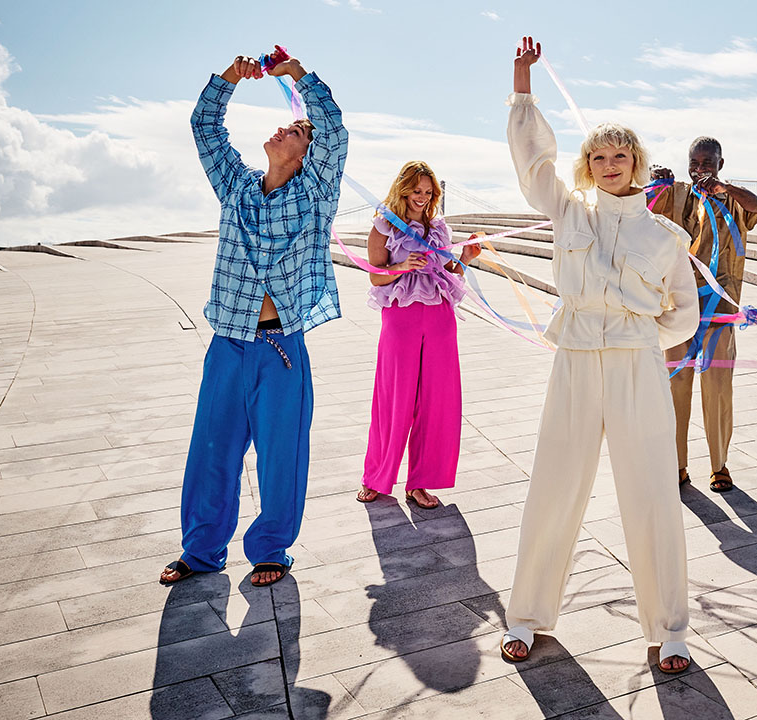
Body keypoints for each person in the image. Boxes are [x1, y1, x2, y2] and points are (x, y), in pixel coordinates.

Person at [499, 36, 699, 674]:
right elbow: (534, 164)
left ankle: (670, 630)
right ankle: (527, 617)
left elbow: (684, 317)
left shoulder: (667, 235)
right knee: (555, 484)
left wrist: (638, 340)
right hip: (576, 361)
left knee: (651, 492)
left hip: (638, 368)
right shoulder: (567, 210)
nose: (610, 163)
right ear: (588, 163)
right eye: (599, 155)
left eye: (621, 154)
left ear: (637, 162)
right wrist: (522, 83)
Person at [159, 47, 346, 588]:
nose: (281, 130)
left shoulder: (314, 194)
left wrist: (297, 75)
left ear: (306, 152)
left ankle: (270, 549)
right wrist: (228, 79)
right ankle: (201, 550)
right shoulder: (236, 188)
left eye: (293, 130)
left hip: (281, 348)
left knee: (280, 455)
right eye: (283, 125)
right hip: (227, 344)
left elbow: (333, 132)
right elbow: (205, 127)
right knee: (211, 449)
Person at [355, 161, 482, 509]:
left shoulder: (440, 229)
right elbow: (375, 276)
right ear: (403, 189)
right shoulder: (384, 227)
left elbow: (449, 273)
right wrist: (400, 266)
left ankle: (421, 482)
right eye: (416, 191)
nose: (422, 198)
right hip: (401, 318)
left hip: (440, 317)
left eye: (428, 192)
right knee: (393, 398)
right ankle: (376, 477)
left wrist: (466, 259)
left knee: (438, 401)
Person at [650, 138, 757, 493]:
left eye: (708, 161)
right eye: (695, 161)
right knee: (675, 387)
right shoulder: (677, 194)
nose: (700, 167)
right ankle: (676, 465)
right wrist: (655, 183)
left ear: (720, 163)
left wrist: (723, 187)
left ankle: (719, 465)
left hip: (720, 310)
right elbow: (642, 212)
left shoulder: (731, 196)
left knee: (717, 388)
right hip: (678, 306)